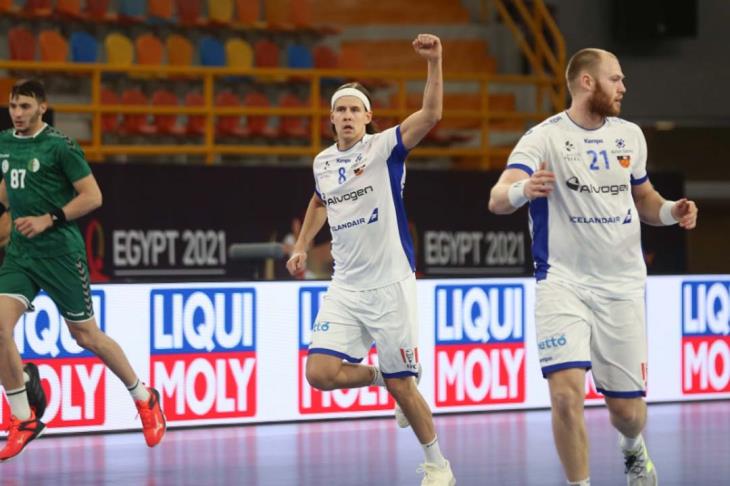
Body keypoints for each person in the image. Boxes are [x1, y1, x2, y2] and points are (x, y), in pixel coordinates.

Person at [488, 48, 698, 485]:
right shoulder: (543, 138)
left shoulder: (630, 136)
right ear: (588, 82)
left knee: (627, 413)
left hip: (621, 286)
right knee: (566, 397)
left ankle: (633, 448)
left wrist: (671, 212)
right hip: (562, 283)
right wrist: (524, 189)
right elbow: (497, 197)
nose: (623, 87)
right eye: (615, 79)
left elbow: (644, 199)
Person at [286, 34, 455, 485]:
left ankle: (438, 466)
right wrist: (301, 245)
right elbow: (319, 201)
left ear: (367, 117)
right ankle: (381, 377)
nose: (346, 116)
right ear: (331, 118)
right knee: (319, 373)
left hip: (390, 284)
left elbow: (432, 114)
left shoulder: (384, 148)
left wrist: (435, 62)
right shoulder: (323, 162)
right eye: (340, 110)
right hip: (346, 286)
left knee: (406, 386)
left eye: (354, 110)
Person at [0, 80, 166, 461]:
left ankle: (144, 397)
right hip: (22, 255)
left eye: (25, 106)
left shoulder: (61, 146)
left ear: (42, 107)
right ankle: (23, 418)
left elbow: (93, 196)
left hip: (60, 254)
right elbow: (9, 188)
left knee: (86, 336)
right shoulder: (5, 143)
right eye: (13, 106)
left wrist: (48, 218)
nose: (18, 113)